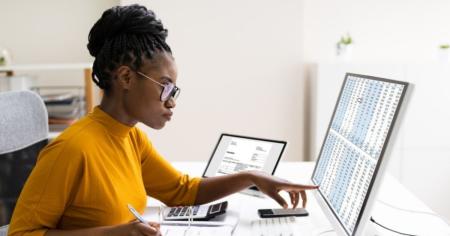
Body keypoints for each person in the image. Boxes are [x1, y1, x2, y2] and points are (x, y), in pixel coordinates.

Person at [8, 4, 318, 236]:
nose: (171, 101)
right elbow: (23, 234)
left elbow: (183, 192)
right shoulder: (71, 151)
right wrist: (119, 233)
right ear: (126, 77)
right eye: (165, 87)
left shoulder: (131, 138)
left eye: (174, 90)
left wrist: (252, 177)